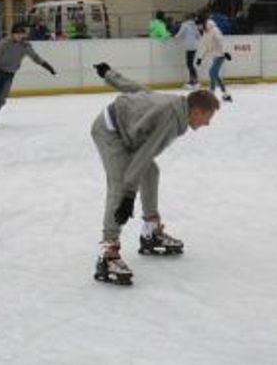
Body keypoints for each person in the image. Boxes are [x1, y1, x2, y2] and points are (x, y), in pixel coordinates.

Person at [92, 90, 220, 286]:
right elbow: (144, 155)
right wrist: (128, 196)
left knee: (151, 172)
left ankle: (151, 232)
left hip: (127, 129)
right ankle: (108, 252)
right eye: (207, 117)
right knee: (119, 185)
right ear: (196, 111)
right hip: (111, 131)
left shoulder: (178, 107)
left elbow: (137, 91)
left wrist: (111, 75)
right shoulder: (171, 119)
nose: (208, 123)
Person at [0, 24, 57, 129]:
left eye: (22, 33)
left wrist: (48, 67)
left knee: (2, 99)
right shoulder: (4, 43)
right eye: (18, 34)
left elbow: (36, 58)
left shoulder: (26, 46)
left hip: (10, 74)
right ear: (13, 34)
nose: (20, 36)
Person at [196, 17, 232, 102]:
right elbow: (206, 47)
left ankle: (211, 94)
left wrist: (225, 52)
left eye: (199, 25)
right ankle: (226, 94)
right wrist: (200, 58)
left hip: (221, 54)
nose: (198, 27)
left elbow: (221, 41)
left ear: (203, 23)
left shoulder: (215, 30)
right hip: (215, 55)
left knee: (212, 72)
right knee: (215, 74)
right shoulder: (205, 33)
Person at [174, 14, 201, 89]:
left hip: (189, 46)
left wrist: (175, 37)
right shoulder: (195, 26)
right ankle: (192, 80)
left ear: (187, 18)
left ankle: (194, 80)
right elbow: (198, 36)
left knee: (189, 64)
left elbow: (180, 34)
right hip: (194, 46)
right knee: (190, 63)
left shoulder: (184, 25)